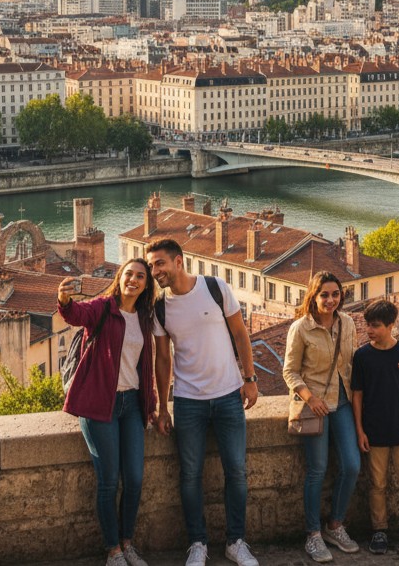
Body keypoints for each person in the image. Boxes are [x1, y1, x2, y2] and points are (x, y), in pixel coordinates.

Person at [146, 238, 260, 566]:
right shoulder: (161, 307)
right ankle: (197, 543)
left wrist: (250, 379)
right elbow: (163, 359)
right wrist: (163, 405)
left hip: (227, 394)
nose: (155, 271)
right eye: (152, 265)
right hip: (187, 400)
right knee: (190, 474)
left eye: (160, 264)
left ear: (178, 261)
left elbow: (240, 334)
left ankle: (236, 542)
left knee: (236, 471)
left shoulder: (215, 287)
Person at [58, 260, 158, 566]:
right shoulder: (103, 308)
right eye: (129, 274)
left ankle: (128, 542)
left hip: (131, 406)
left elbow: (145, 365)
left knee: (136, 478)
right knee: (108, 481)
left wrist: (151, 403)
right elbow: (75, 314)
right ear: (120, 277)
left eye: (141, 276)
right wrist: (63, 299)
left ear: (146, 284)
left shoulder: (144, 316)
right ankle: (112, 550)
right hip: (100, 405)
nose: (134, 280)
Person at [282, 272, 361, 563]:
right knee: (318, 469)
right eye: (324, 295)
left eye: (335, 294)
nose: (330, 300)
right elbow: (289, 371)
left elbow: (352, 364)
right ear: (314, 296)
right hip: (314, 405)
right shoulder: (301, 328)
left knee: (352, 465)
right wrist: (310, 398)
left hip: (342, 402)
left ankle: (335, 525)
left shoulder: (348, 324)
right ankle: (313, 534)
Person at [351, 299, 399, 557]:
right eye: (367, 325)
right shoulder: (362, 356)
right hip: (374, 431)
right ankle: (379, 530)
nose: (369, 330)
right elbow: (357, 396)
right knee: (377, 484)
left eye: (375, 326)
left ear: (391, 326)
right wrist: (359, 430)